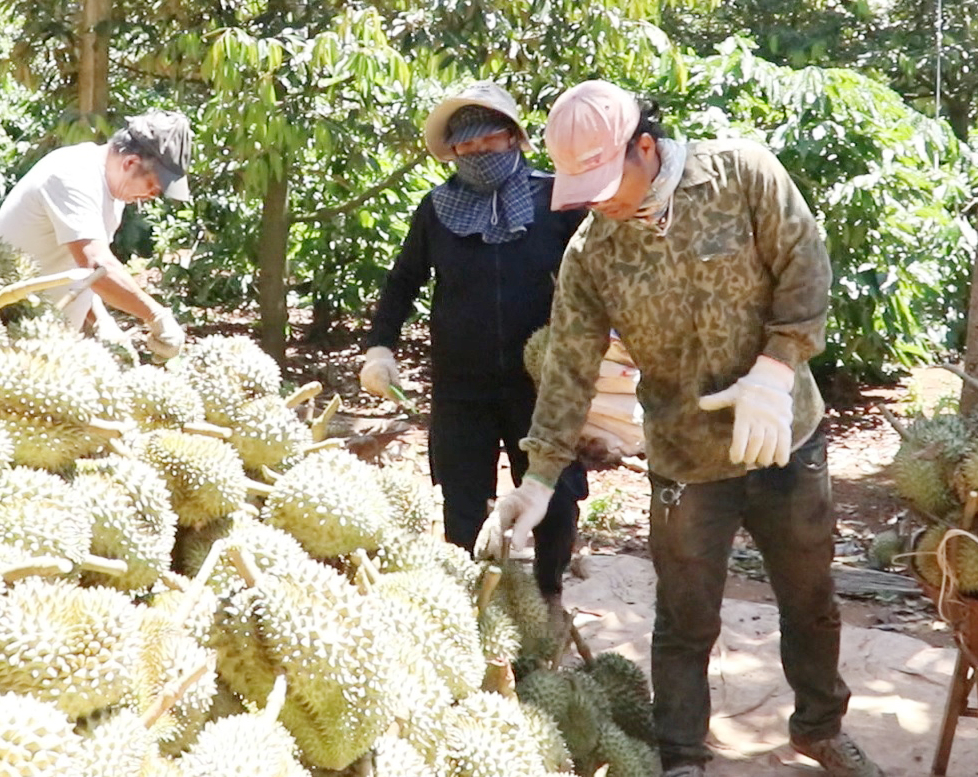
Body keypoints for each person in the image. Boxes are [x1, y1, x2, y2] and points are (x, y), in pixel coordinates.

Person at [477, 79, 881, 777]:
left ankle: (819, 727)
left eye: (607, 181)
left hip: (786, 435)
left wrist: (775, 370)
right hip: (684, 457)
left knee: (810, 598)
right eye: (586, 190)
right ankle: (682, 756)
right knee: (683, 619)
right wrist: (538, 479)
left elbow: (804, 265)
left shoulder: (741, 173)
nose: (601, 201)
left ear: (644, 145)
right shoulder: (590, 253)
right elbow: (569, 366)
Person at [359, 81, 588, 612]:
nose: (477, 153)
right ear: (453, 151)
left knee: (553, 496)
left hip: (541, 385)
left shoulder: (557, 199)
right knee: (463, 502)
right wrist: (380, 347)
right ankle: (469, 605)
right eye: (465, 146)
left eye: (488, 142)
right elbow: (403, 281)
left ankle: (550, 594)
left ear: (513, 139)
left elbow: (601, 276)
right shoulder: (437, 209)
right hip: (461, 383)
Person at [0, 110, 192, 358]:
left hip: (47, 341)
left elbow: (82, 272)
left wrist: (102, 321)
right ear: (130, 164)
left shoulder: (113, 194)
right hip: (8, 335)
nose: (151, 198)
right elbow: (96, 266)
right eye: (152, 188)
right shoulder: (73, 175)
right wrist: (156, 315)